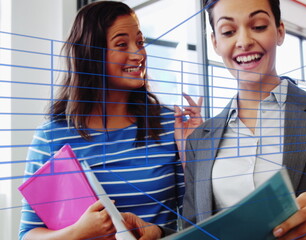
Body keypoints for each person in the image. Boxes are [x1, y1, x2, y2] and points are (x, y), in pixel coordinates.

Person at [181, 0, 306, 239]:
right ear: (215, 42)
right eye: (228, 32)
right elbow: (192, 230)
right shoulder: (199, 142)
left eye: (258, 26)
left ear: (280, 31)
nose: (244, 42)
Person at [19, 2, 202, 240]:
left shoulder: (170, 125)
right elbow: (28, 234)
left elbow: (198, 217)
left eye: (140, 42)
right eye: (122, 44)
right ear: (91, 53)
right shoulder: (52, 136)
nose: (138, 54)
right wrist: (78, 232)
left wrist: (191, 154)